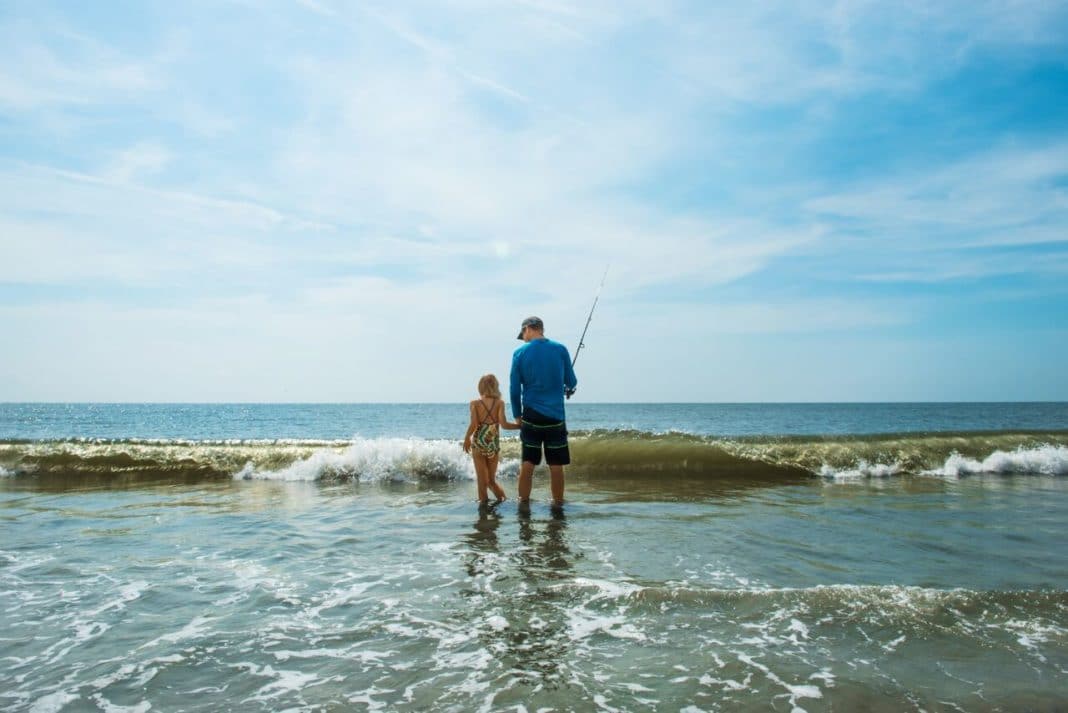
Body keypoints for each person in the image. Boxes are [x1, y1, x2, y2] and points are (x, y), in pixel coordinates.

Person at [510, 316, 578, 507]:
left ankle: (523, 505)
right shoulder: (561, 349)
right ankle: (557, 505)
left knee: (528, 463)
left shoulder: (519, 353)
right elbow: (571, 382)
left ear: (529, 329)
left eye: (522, 334)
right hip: (555, 417)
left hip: (530, 416)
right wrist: (566, 386)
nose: (523, 338)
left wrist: (517, 415)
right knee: (556, 466)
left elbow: (514, 389)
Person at [463, 374, 520, 504]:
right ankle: (503, 502)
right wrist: (519, 426)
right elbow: (504, 424)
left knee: (482, 482)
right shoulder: (499, 403)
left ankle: (483, 512)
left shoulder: (475, 404)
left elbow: (474, 424)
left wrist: (467, 438)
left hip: (478, 444)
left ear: (480, 387)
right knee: (491, 481)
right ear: (495, 387)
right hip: (493, 445)